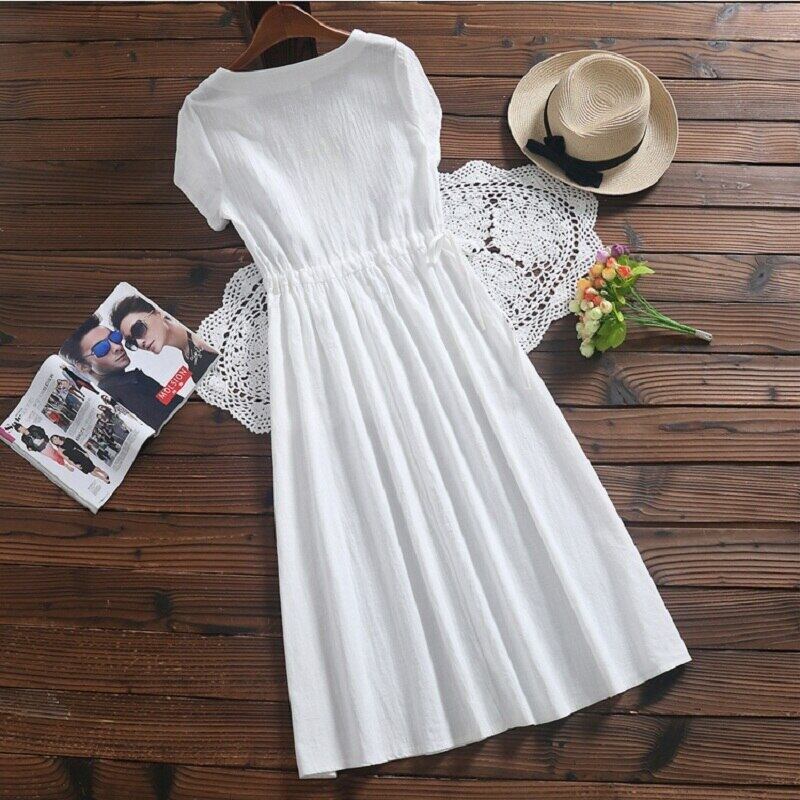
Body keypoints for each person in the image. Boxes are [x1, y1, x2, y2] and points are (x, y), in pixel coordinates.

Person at [59, 314, 183, 431]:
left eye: (115, 337)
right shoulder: (124, 393)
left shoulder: (129, 382)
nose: (117, 347)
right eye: (102, 348)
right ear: (83, 366)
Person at [111, 295, 218, 382]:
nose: (139, 343)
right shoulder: (187, 358)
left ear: (158, 312)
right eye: (131, 342)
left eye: (137, 329)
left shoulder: (203, 334)